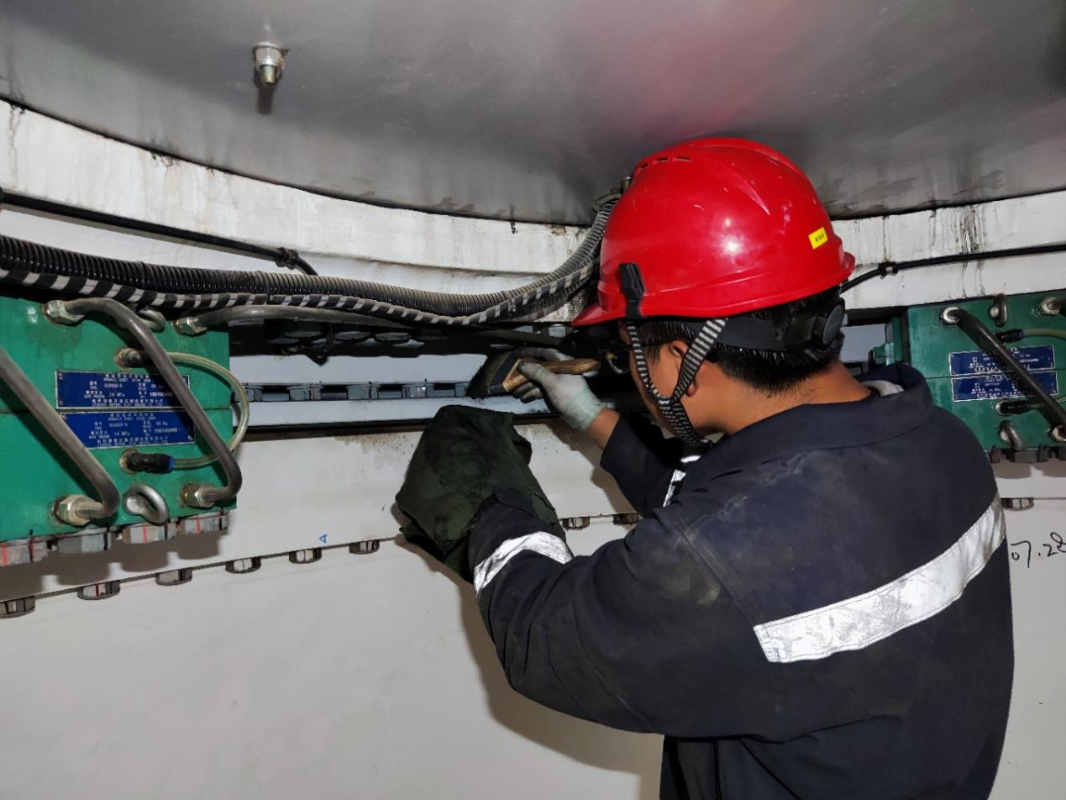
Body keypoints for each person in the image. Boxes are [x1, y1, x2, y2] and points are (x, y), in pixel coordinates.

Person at [465, 138, 1014, 799]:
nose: (629, 369)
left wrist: (481, 493)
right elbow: (748, 521)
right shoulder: (945, 442)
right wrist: (591, 416)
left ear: (680, 358)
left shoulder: (727, 557)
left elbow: (542, 637)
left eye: (629, 349)